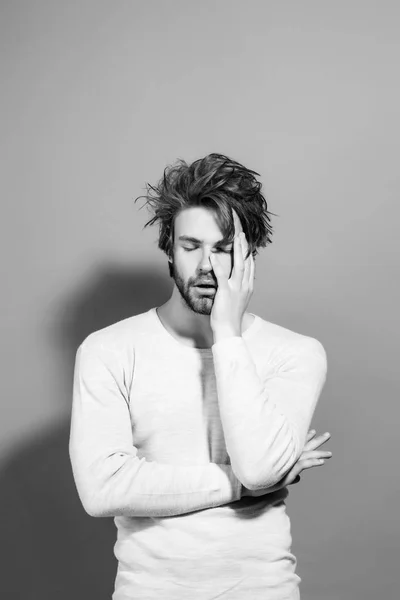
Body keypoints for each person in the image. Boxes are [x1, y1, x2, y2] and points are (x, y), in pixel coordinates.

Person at [69, 153, 331, 600]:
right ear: (168, 248)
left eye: (224, 248)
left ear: (250, 254)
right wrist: (243, 486)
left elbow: (262, 468)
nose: (207, 265)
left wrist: (227, 333)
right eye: (191, 246)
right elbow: (102, 490)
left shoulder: (295, 354)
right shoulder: (108, 350)